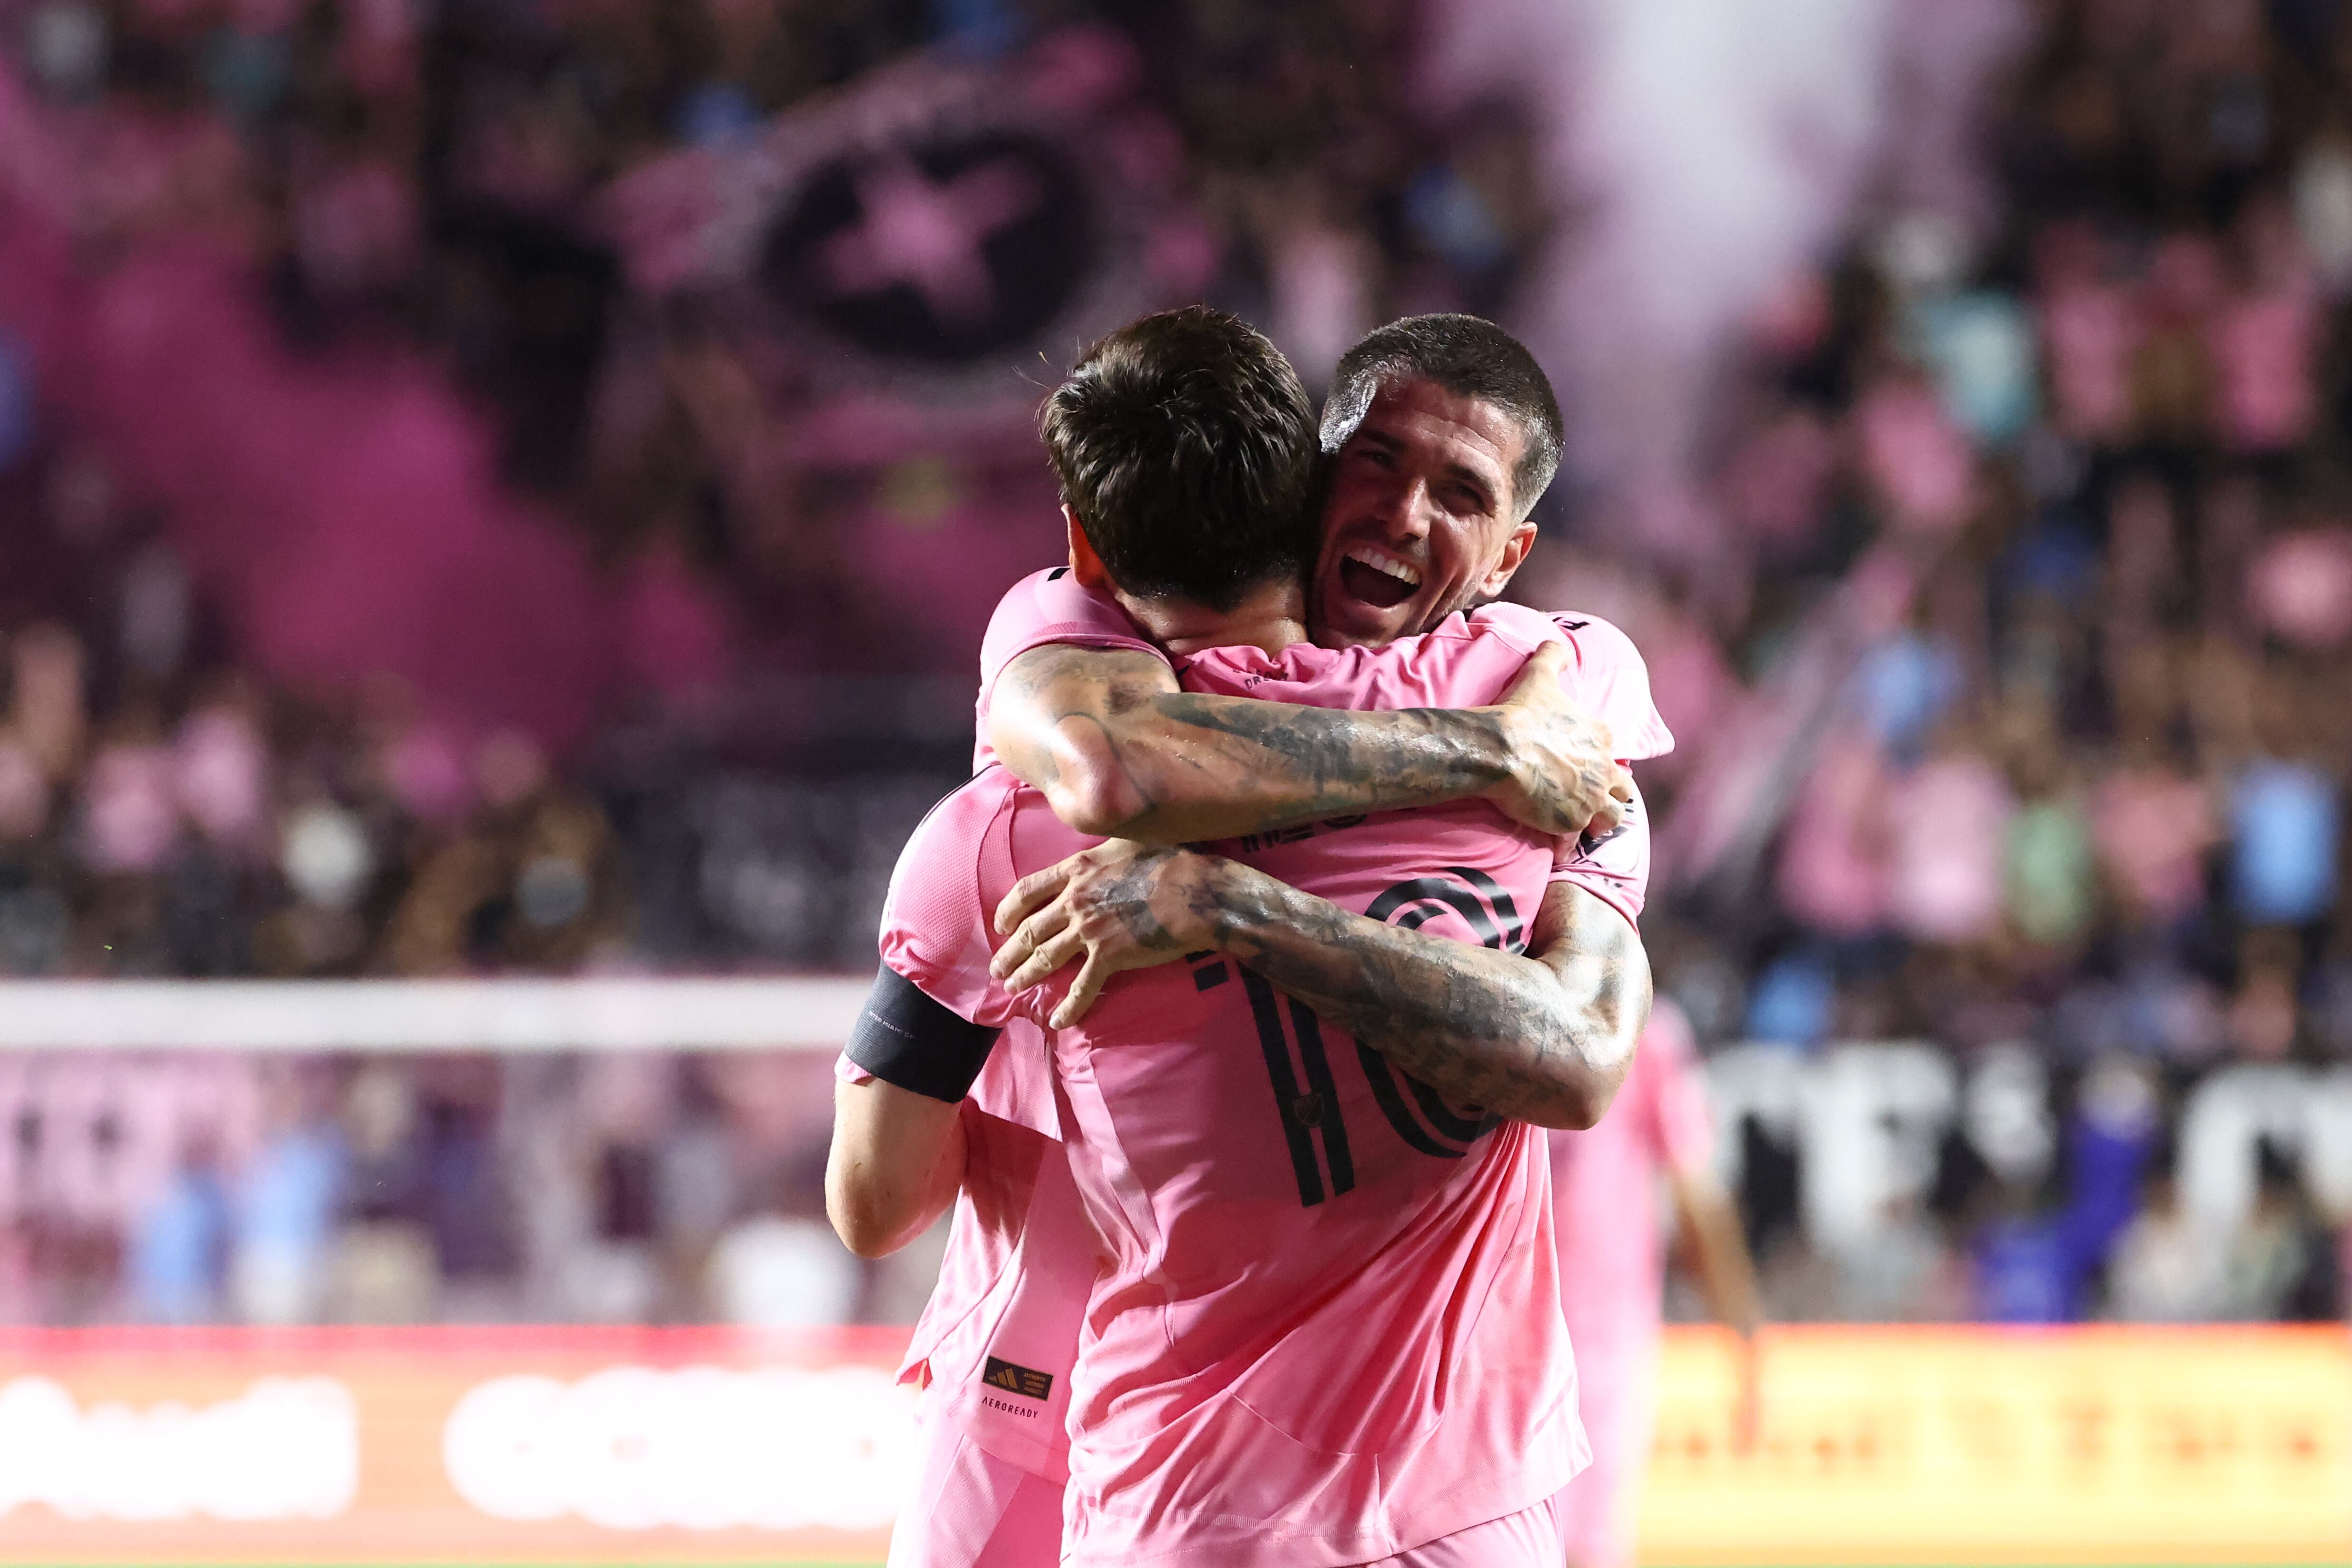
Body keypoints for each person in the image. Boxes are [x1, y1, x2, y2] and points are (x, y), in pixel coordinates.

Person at [831, 306, 1666, 1567]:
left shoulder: (998, 823)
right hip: (1096, 1419)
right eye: (1377, 464)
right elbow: (1114, 759)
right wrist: (1492, 746)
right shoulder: (1539, 731)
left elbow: (873, 1200)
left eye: (1457, 493)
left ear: (1510, 553)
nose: (1404, 516)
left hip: (1172, 1475)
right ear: (1307, 485)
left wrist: (1228, 907)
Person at [1550, 997, 1761, 1568]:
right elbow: (1697, 1196)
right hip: (1598, 1338)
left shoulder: (1489, 997)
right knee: (1585, 1546)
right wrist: (1745, 1330)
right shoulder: (1640, 1022)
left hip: (1505, 1330)